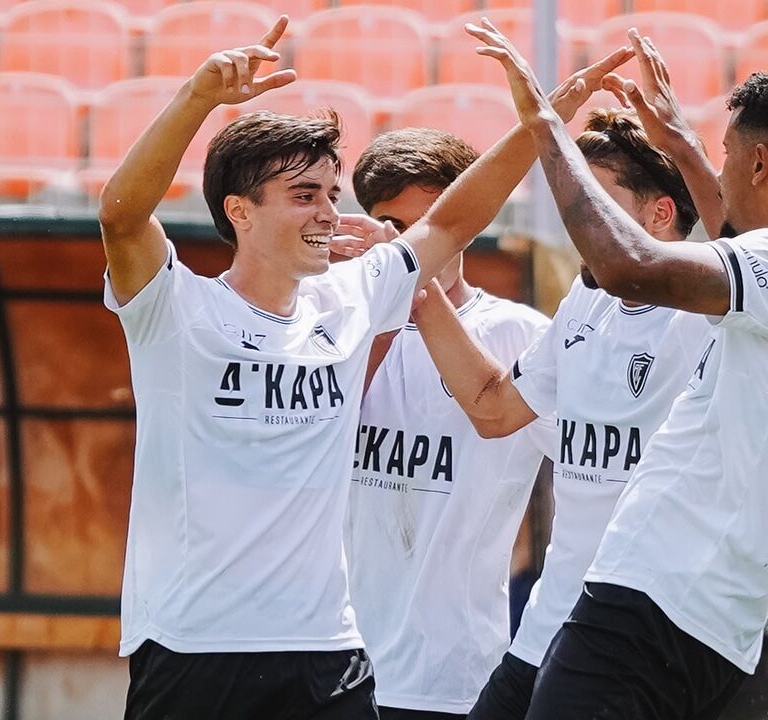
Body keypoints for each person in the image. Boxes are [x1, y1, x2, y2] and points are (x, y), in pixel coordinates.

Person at [98, 13, 635, 717]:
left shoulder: (351, 299)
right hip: (197, 646)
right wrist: (197, 100)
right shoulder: (176, 309)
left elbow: (450, 222)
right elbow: (120, 215)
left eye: (329, 193)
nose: (327, 214)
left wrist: (545, 120)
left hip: (327, 651)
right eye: (303, 196)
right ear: (240, 211)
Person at [468, 20, 768, 719]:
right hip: (708, 619)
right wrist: (683, 145)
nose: (716, 175)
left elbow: (627, 266)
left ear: (760, 163)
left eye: (727, 158)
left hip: (653, 598)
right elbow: (742, 242)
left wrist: (543, 124)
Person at [411, 102, 717, 720]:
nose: (577, 219)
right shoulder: (587, 300)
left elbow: (745, 239)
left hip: (635, 634)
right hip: (549, 620)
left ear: (661, 215)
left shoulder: (708, 312)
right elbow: (494, 410)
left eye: (595, 201)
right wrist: (415, 291)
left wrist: (683, 146)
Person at [344, 127, 554, 720]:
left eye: (429, 225)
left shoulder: (522, 336)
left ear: (466, 223)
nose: (413, 245)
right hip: (330, 665)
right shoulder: (331, 328)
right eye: (393, 227)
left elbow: (599, 476)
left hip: (454, 679)